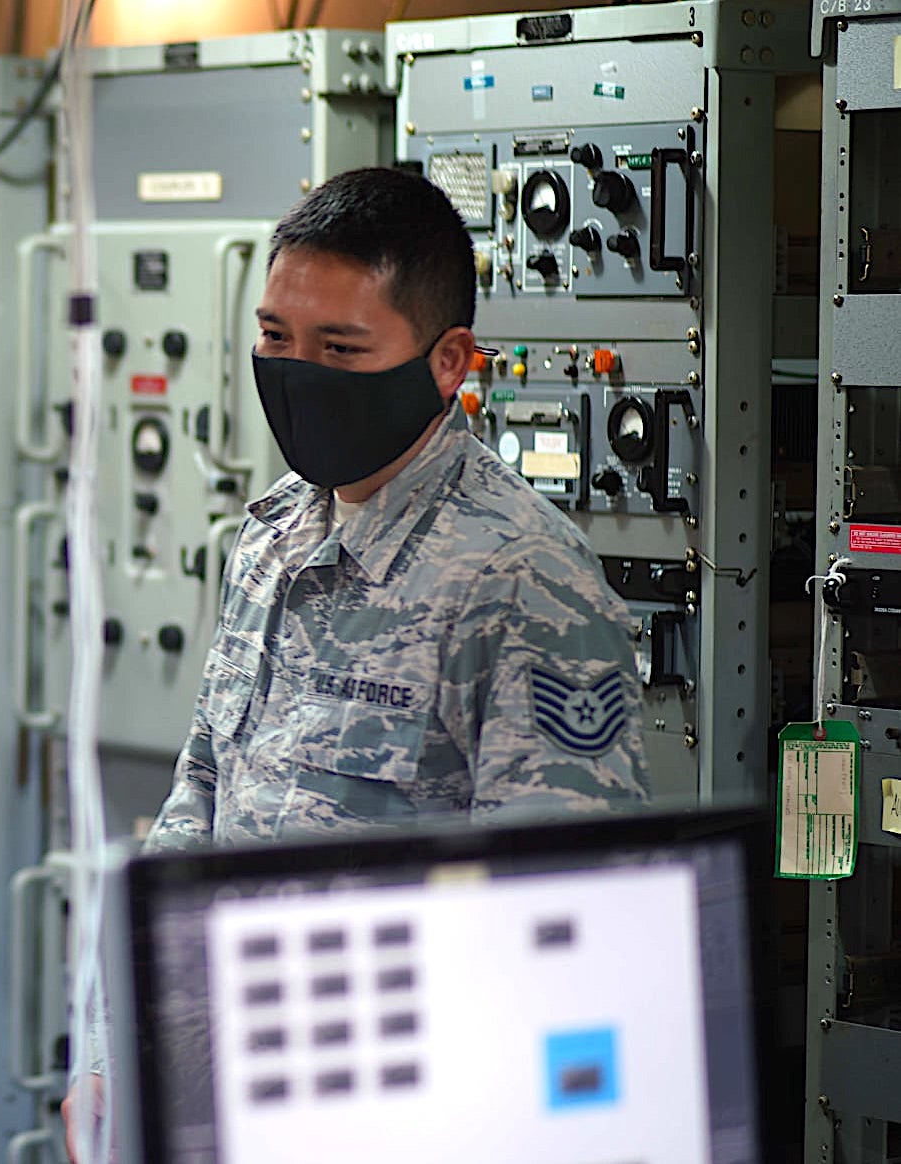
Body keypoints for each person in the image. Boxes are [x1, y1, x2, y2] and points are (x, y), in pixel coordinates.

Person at [63, 167, 648, 1161]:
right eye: (275, 341)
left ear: (445, 360)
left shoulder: (520, 579)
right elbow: (198, 803)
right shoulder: (273, 537)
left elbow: (559, 924)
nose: (297, 374)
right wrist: (119, 1052)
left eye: (339, 348)